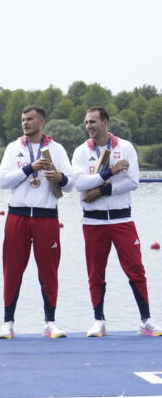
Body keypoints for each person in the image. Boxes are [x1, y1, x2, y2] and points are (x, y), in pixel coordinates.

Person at [72, 107, 161, 337]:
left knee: (136, 270)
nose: (89, 126)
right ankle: (98, 320)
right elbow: (79, 183)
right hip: (93, 221)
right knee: (96, 272)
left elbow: (133, 181)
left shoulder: (125, 147)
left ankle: (146, 320)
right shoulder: (82, 152)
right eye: (86, 122)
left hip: (122, 219)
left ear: (106, 123)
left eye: (93, 121)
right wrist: (109, 173)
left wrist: (103, 190)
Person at [0, 104, 76, 339]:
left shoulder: (56, 149)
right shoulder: (13, 148)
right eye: (23, 119)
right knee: (12, 270)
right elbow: (2, 181)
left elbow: (71, 185)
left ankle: (50, 322)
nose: (25, 123)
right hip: (17, 215)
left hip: (46, 216)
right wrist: (29, 168)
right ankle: (7, 322)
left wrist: (59, 177)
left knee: (49, 271)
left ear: (41, 122)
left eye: (30, 119)